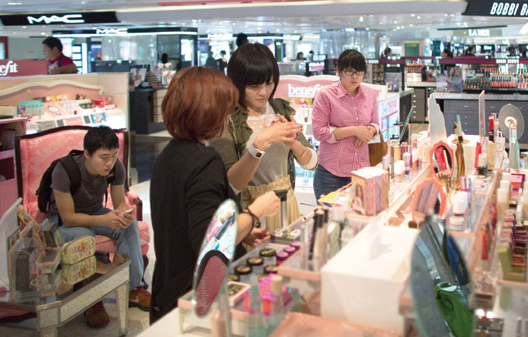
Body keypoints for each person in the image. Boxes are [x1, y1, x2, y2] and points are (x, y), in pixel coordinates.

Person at [150, 67, 279, 322]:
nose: (228, 115)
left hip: (168, 288)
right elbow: (210, 242)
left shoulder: (168, 155)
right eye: (225, 108)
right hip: (195, 295)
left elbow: (191, 220)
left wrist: (243, 230)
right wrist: (254, 213)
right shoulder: (204, 161)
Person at [48, 126, 149, 328]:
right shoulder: (64, 170)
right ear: (86, 153)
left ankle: (132, 287)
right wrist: (104, 220)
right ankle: (91, 298)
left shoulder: (115, 167)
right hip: (62, 221)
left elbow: (119, 201)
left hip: (95, 212)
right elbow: (68, 218)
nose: (109, 163)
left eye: (113, 156)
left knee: (129, 227)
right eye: (103, 157)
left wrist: (122, 214)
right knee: (84, 235)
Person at [211, 43, 317, 232]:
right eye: (254, 86)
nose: (264, 92)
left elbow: (311, 163)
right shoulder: (227, 120)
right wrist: (260, 144)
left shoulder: (280, 109)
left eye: (269, 83)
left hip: (286, 203)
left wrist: (295, 145)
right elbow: (231, 185)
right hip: (251, 212)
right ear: (237, 83)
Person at [311, 49, 379, 199]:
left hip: (362, 171)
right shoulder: (325, 94)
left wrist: (370, 130)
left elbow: (376, 123)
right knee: (329, 220)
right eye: (349, 72)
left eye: (359, 72)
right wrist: (354, 130)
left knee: (359, 220)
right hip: (331, 173)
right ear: (338, 71)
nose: (355, 77)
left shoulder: (369, 94)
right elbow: (319, 132)